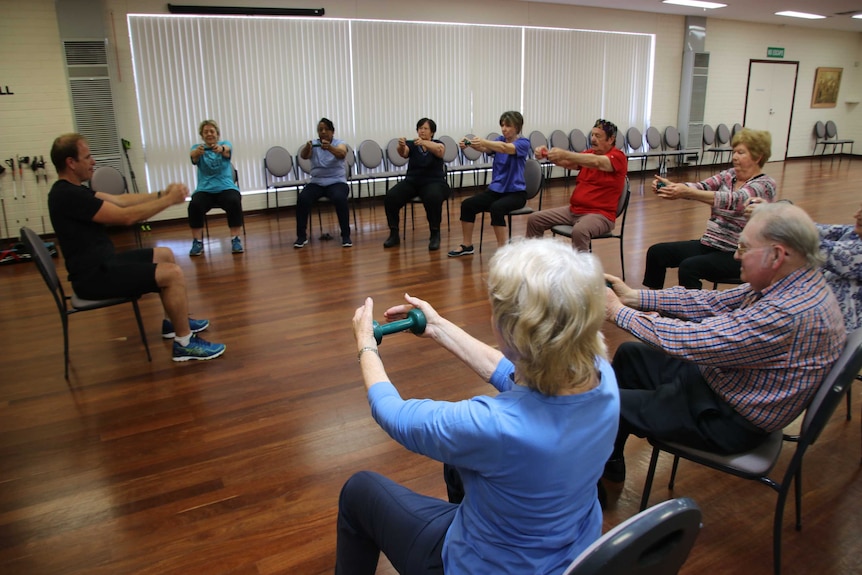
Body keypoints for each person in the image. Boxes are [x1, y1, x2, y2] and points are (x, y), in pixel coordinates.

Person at [337, 239, 619, 574]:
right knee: (456, 465)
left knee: (359, 491)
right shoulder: (603, 378)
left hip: (487, 567)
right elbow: (504, 371)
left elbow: (394, 414)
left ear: (513, 333)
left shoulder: (494, 427)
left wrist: (366, 345)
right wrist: (438, 327)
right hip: (567, 555)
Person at [602, 202, 846, 484]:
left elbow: (694, 340)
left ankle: (590, 489)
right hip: (727, 384)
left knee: (602, 403)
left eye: (743, 248)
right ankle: (611, 459)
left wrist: (617, 312)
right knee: (633, 355)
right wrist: (635, 298)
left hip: (730, 420)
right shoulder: (790, 281)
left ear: (777, 255)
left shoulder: (789, 312)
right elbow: (713, 302)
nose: (736, 255)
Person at [47, 133, 226, 362]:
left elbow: (121, 201)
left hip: (103, 263)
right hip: (94, 277)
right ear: (71, 163)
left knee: (165, 254)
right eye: (87, 156)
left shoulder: (73, 190)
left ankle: (172, 322)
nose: (93, 161)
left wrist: (160, 194)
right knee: (173, 274)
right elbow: (126, 217)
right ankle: (185, 343)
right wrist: (169, 200)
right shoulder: (68, 196)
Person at [642, 128, 777, 289]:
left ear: (758, 156)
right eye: (734, 152)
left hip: (737, 253)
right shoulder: (729, 175)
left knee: (689, 267)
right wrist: (674, 187)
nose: (734, 156)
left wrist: (687, 192)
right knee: (657, 253)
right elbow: (702, 186)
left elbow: (734, 200)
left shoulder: (765, 185)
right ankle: (650, 303)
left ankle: (691, 312)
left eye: (741, 153)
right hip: (710, 244)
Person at [747, 197, 862, 332]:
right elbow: (811, 228)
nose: (856, 215)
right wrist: (773, 210)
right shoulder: (853, 233)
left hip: (836, 333)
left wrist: (771, 215)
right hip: (814, 319)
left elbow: (807, 244)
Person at [526, 119, 627, 251]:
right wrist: (546, 154)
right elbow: (568, 162)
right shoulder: (589, 154)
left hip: (601, 215)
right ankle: (531, 260)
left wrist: (565, 153)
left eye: (598, 136)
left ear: (611, 139)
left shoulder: (618, 157)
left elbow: (597, 162)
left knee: (580, 231)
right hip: (574, 211)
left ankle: (582, 270)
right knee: (535, 219)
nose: (593, 139)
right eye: (592, 135)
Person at [447, 111, 530, 256]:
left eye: (508, 126)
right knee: (467, 205)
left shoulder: (523, 143)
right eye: (502, 125)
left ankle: (503, 250)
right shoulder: (499, 140)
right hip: (496, 190)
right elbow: (486, 148)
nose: (504, 129)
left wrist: (484, 141)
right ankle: (467, 245)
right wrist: (470, 144)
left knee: (496, 208)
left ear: (517, 127)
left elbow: (504, 148)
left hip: (516, 193)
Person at [382, 118, 451, 251]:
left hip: (434, 182)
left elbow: (440, 150)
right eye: (420, 128)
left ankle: (435, 233)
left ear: (432, 132)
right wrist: (401, 145)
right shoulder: (413, 144)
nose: (422, 131)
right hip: (412, 181)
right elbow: (403, 153)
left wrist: (425, 143)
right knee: (391, 197)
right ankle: (394, 233)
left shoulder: (437, 143)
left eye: (425, 129)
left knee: (433, 197)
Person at [187, 119, 244, 257]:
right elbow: (193, 157)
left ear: (217, 134)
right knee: (194, 205)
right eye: (206, 132)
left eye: (212, 131)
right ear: (202, 135)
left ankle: (235, 239)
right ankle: (197, 242)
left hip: (225, 188)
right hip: (205, 190)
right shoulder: (197, 148)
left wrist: (221, 149)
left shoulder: (224, 144)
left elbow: (227, 150)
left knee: (234, 201)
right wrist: (197, 153)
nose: (209, 134)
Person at [294, 117, 352, 248]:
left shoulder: (339, 143)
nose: (323, 132)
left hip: (337, 182)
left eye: (326, 129)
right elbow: (303, 156)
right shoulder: (314, 144)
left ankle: (346, 236)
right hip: (317, 183)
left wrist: (330, 148)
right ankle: (301, 237)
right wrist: (307, 148)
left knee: (340, 198)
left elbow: (342, 153)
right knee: (303, 199)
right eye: (320, 130)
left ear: (332, 132)